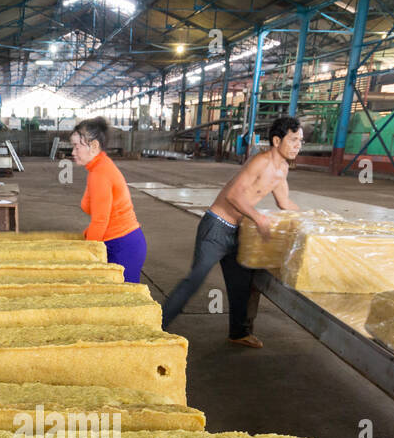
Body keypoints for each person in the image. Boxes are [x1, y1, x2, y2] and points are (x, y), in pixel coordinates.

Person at [161, 116, 304, 348]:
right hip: (216, 227)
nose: (298, 145)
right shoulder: (261, 162)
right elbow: (233, 196)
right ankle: (156, 327)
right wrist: (258, 218)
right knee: (194, 280)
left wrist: (312, 220)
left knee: (242, 285)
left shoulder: (282, 169)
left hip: (237, 232)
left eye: (301, 141)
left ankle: (238, 333)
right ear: (277, 140)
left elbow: (284, 202)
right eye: (294, 139)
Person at [71, 118, 146, 283]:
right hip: (119, 242)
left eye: (77, 147)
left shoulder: (100, 173)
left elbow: (100, 220)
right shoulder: (97, 168)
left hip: (123, 245)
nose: (73, 152)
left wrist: (87, 253)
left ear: (94, 146)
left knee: (123, 301)